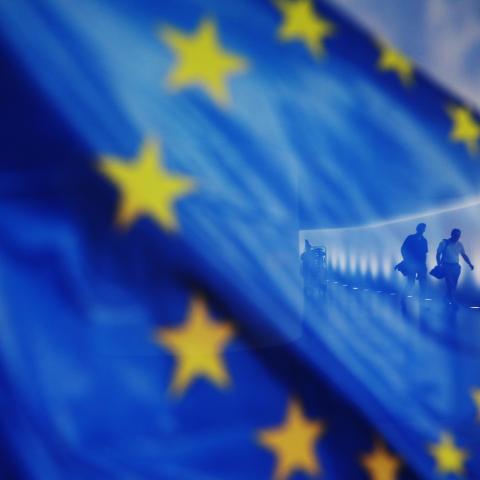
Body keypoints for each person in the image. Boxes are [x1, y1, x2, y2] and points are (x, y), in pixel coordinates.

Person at [436, 228, 474, 303]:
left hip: (456, 267)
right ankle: (452, 299)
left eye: (459, 235)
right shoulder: (444, 242)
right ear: (452, 235)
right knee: (451, 283)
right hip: (446, 266)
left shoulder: (459, 244)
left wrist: (470, 264)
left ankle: (447, 298)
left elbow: (464, 255)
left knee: (454, 284)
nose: (457, 237)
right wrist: (439, 264)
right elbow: (438, 254)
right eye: (456, 235)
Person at [400, 223, 428, 297]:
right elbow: (403, 249)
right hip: (412, 263)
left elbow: (425, 253)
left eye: (423, 228)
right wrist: (407, 260)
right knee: (411, 282)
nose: (422, 230)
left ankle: (422, 301)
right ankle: (405, 298)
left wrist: (424, 266)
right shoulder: (410, 238)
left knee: (422, 283)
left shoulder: (424, 240)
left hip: (421, 264)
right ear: (417, 229)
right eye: (421, 228)